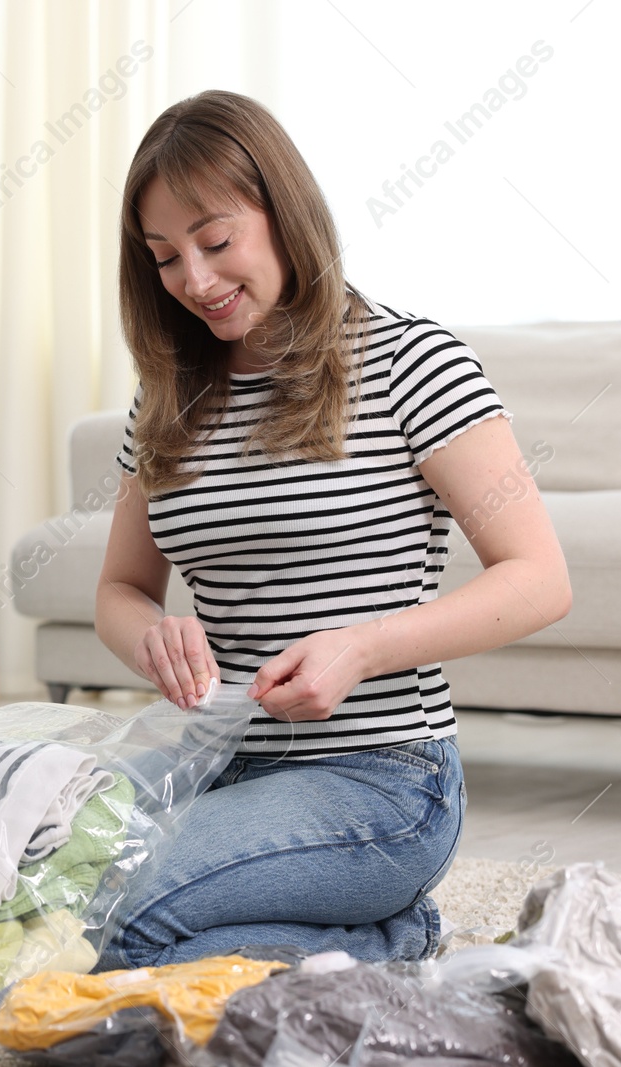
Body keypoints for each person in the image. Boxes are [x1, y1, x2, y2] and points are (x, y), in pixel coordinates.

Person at [93, 90, 572, 969]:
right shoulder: (166, 402)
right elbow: (120, 592)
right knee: (10, 875)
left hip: (382, 783)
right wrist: (153, 635)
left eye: (216, 240)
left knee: (112, 925)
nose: (194, 281)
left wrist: (363, 647)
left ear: (283, 214)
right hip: (221, 764)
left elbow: (540, 577)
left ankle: (396, 936)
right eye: (164, 257)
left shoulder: (410, 362)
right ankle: (354, 937)